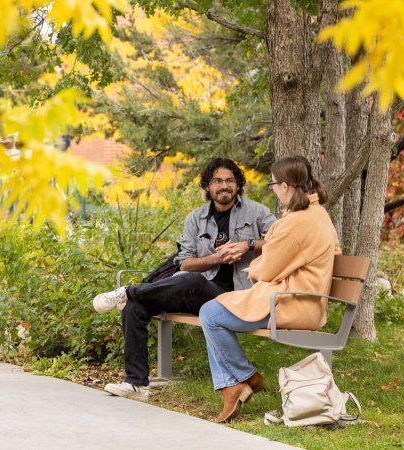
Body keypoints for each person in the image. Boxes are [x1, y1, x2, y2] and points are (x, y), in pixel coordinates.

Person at [93, 157, 277, 400]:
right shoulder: (196, 218)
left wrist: (248, 244)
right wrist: (216, 258)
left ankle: (128, 291)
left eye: (230, 180)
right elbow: (184, 262)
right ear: (208, 186)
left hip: (235, 298)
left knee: (191, 281)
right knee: (136, 306)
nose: (224, 186)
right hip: (196, 294)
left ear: (238, 184)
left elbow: (280, 239)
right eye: (217, 181)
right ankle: (136, 384)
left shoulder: (257, 212)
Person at [198, 155, 340, 423]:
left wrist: (253, 269)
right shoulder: (318, 214)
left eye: (273, 184)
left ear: (285, 186)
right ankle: (236, 383)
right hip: (303, 299)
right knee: (214, 310)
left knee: (210, 314)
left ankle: (242, 378)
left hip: (291, 302)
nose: (273, 189)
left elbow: (265, 270)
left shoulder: (297, 222)